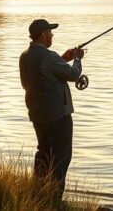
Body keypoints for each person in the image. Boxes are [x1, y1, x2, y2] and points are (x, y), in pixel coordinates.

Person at [19, 18, 85, 198]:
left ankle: (37, 195)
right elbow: (73, 74)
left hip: (38, 115)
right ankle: (53, 200)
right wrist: (77, 58)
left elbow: (39, 77)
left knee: (43, 155)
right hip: (57, 116)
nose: (52, 35)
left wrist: (64, 59)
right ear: (43, 35)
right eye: (50, 32)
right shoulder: (48, 56)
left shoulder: (25, 56)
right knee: (60, 158)